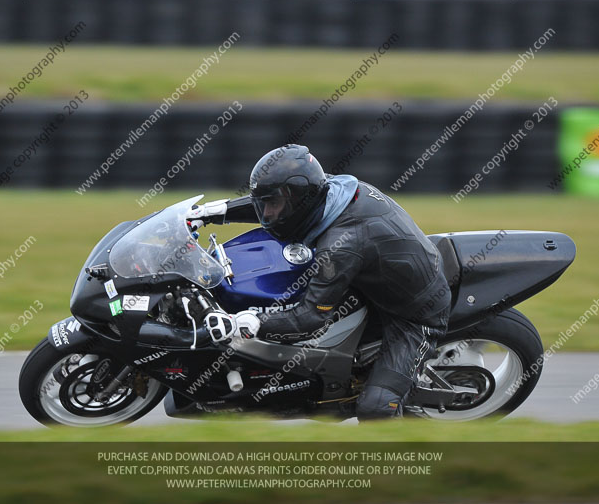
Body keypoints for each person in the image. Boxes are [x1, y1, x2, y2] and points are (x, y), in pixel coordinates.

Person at [187, 144, 451, 420]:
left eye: (273, 204)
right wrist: (214, 212)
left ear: (301, 200)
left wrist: (250, 322)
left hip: (415, 315)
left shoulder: (341, 246)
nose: (267, 213)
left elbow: (310, 318)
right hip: (376, 284)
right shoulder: (329, 189)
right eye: (265, 203)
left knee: (376, 410)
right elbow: (279, 208)